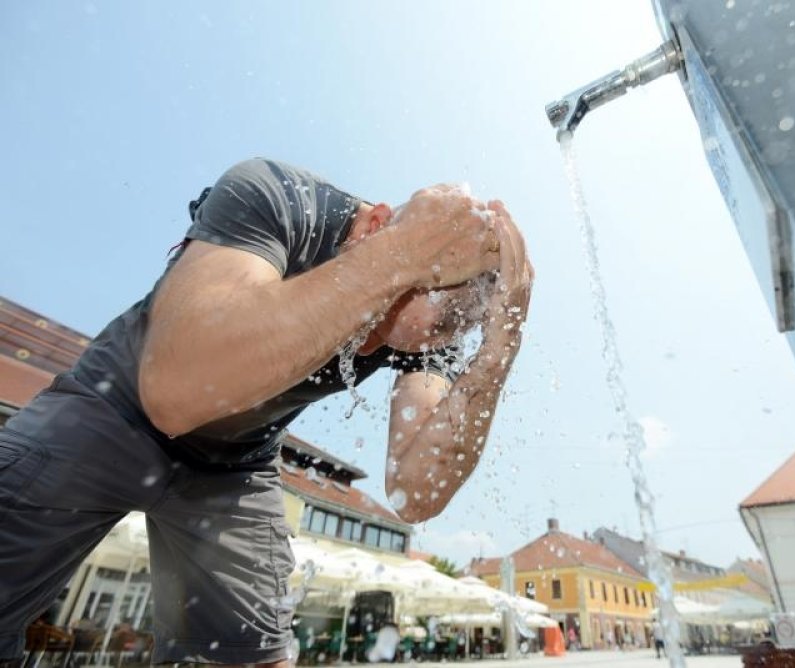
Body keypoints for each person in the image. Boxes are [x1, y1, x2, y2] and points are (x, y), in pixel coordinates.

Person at [0, 158, 533, 667]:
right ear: (377, 227)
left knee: (257, 658)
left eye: (451, 330)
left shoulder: (428, 331)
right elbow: (174, 391)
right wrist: (396, 261)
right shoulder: (283, 198)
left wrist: (498, 351)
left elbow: (415, 494)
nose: (421, 341)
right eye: (417, 308)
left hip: (234, 466)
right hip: (115, 405)